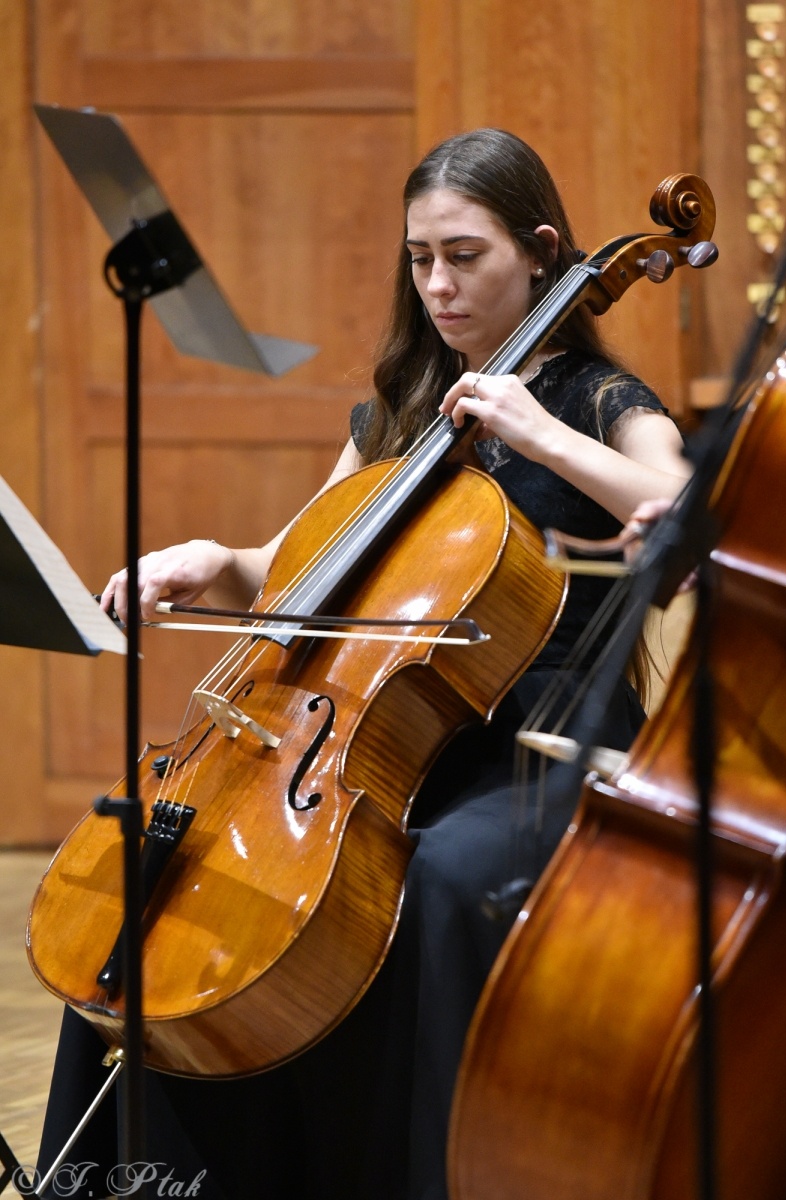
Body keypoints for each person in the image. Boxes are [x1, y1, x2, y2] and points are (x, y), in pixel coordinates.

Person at [37, 128, 691, 1200]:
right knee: (150, 866)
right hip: (369, 729)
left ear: (537, 250)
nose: (436, 284)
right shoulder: (395, 410)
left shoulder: (596, 402)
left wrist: (540, 437)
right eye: (418, 258)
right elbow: (298, 564)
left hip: (536, 732)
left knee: (430, 879)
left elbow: (683, 514)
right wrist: (218, 559)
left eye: (463, 256)